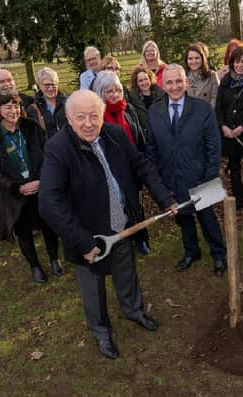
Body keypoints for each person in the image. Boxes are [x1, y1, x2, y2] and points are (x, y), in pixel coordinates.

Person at [38, 90, 177, 359]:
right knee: (93, 288)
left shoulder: (115, 134)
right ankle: (101, 331)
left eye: (94, 116)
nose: (89, 123)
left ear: (102, 115)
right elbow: (49, 203)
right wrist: (83, 243)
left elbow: (141, 166)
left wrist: (165, 198)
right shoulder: (58, 148)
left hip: (121, 223)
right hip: (87, 234)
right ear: (68, 118)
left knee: (126, 272)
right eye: (81, 117)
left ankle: (134, 310)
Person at [146, 64, 227, 276]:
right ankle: (192, 251)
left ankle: (219, 254)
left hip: (200, 177)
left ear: (187, 82)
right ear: (162, 85)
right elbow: (151, 148)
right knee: (183, 218)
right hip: (171, 178)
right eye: (170, 82)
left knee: (207, 218)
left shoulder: (202, 109)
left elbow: (213, 146)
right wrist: (160, 181)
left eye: (178, 81)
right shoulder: (154, 112)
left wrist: (209, 178)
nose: (174, 87)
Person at [0, 93, 63, 283]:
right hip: (16, 193)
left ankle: (53, 259)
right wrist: (15, 187)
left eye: (16, 106)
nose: (13, 110)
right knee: (23, 231)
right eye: (8, 107)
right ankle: (35, 266)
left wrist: (41, 180)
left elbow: (48, 153)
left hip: (39, 187)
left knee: (48, 226)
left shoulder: (31, 127)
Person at [93, 71, 150, 255]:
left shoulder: (128, 109)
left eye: (117, 90)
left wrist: (143, 158)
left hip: (133, 165)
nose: (114, 94)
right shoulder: (97, 116)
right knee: (119, 206)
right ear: (100, 92)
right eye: (109, 91)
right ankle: (123, 239)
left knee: (136, 204)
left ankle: (141, 238)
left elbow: (138, 135)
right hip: (113, 170)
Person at [215, 47, 243, 213]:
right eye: (237, 62)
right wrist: (223, 126)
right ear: (231, 63)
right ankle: (239, 200)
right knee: (234, 170)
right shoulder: (225, 82)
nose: (240, 65)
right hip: (229, 134)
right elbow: (218, 108)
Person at [128, 65, 165, 134]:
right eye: (140, 81)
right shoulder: (132, 99)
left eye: (146, 79)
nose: (144, 83)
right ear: (136, 83)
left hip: (162, 131)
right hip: (145, 134)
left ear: (150, 79)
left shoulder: (161, 94)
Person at [32, 67, 67, 138]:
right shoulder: (34, 109)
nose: (50, 88)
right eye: (46, 85)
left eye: (53, 84)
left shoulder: (68, 104)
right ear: (39, 86)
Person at [183, 43, 220, 108]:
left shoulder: (212, 76)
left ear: (202, 59)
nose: (193, 61)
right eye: (190, 58)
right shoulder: (183, 77)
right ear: (186, 60)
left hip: (207, 115)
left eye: (197, 58)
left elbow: (216, 98)